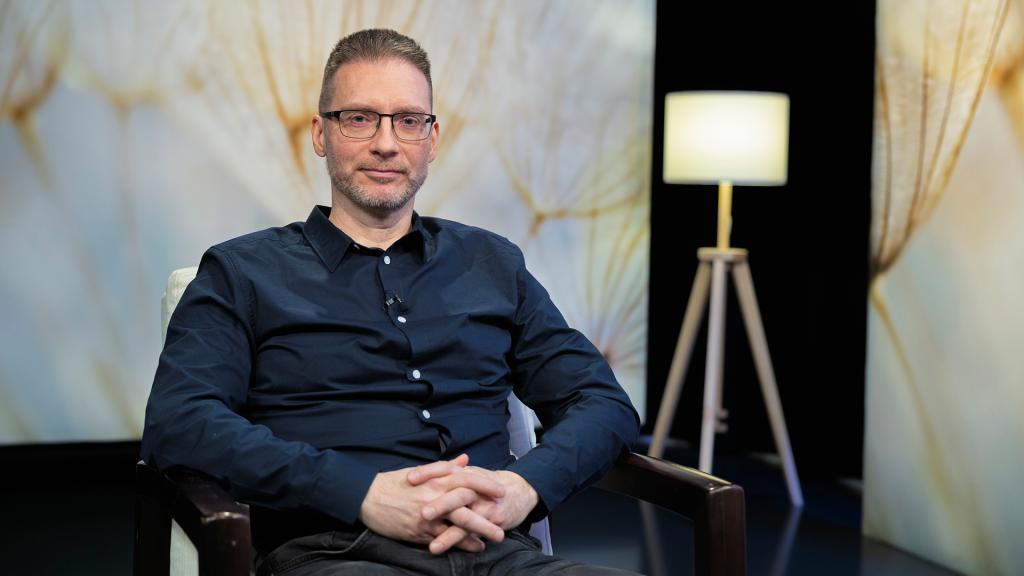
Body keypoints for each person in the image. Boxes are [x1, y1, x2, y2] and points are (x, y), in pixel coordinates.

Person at [142, 28, 641, 576]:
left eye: (408, 120)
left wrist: (521, 488)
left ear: (432, 138)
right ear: (320, 134)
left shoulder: (491, 263)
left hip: (497, 553)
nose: (386, 143)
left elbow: (603, 403)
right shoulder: (242, 272)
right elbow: (181, 421)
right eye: (359, 118)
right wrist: (362, 493)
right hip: (335, 554)